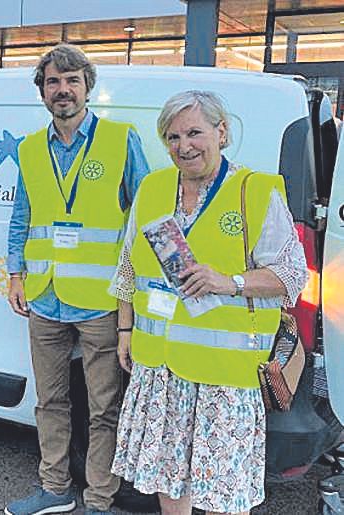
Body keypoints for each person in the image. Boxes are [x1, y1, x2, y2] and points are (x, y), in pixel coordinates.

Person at [109, 90, 308, 514]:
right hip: (160, 367)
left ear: (222, 132)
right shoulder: (153, 187)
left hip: (224, 375)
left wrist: (230, 281)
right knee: (168, 475)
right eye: (173, 137)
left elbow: (293, 275)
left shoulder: (254, 191)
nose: (184, 146)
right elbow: (128, 266)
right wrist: (124, 329)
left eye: (195, 133)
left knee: (221, 487)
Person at [5, 43, 150, 515]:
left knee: (105, 408)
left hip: (101, 299)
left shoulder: (120, 138)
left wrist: (132, 296)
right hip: (45, 296)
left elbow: (142, 219)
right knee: (50, 401)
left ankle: (100, 500)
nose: (62, 90)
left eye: (71, 80)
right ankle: (55, 490)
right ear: (43, 91)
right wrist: (15, 273)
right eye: (53, 82)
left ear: (88, 86)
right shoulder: (29, 149)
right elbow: (21, 216)